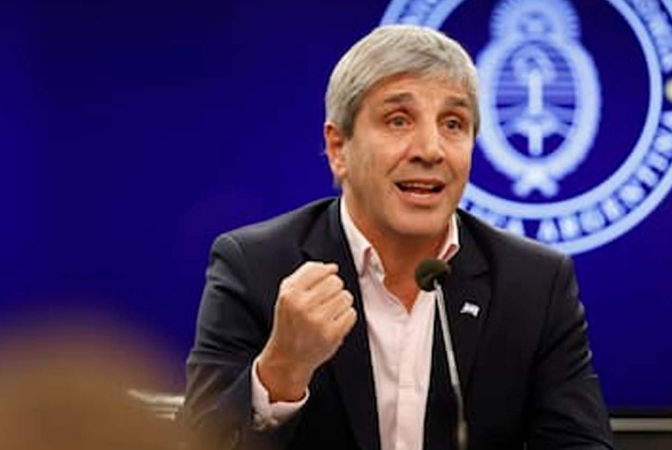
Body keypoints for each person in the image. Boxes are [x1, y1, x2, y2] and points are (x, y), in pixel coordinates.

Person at [184, 24, 614, 450]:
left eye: (453, 123)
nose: (430, 150)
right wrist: (281, 370)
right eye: (398, 120)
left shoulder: (534, 283)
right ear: (338, 148)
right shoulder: (255, 266)